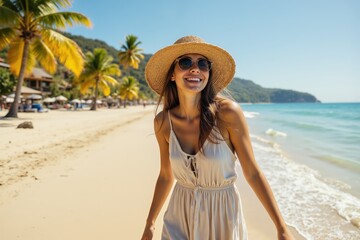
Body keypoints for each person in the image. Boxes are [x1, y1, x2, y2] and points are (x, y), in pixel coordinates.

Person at [141, 36, 294, 240]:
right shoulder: (162, 122)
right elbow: (166, 175)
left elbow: (252, 172)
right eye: (186, 62)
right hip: (179, 216)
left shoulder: (228, 114)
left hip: (222, 218)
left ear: (208, 73)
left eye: (203, 64)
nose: (195, 69)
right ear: (172, 74)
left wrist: (281, 228)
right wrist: (150, 223)